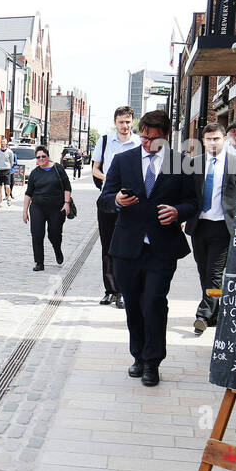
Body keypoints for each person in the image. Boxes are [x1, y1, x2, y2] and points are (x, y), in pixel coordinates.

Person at [98, 110, 197, 388]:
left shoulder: (181, 163)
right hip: (127, 247)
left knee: (153, 301)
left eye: (153, 139)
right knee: (133, 304)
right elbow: (104, 200)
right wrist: (116, 200)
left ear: (166, 137)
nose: (147, 143)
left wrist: (178, 211)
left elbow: (193, 202)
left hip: (162, 247)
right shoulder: (122, 160)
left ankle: (153, 362)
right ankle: (138, 356)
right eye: (144, 137)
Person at [184, 122, 236, 336]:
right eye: (208, 139)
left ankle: (203, 314)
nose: (213, 142)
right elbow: (188, 194)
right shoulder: (195, 164)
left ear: (224, 139)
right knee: (203, 271)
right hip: (199, 226)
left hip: (223, 228)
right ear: (203, 141)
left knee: (214, 273)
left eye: (216, 138)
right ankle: (215, 311)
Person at [91, 106, 141, 308]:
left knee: (127, 247)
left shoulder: (138, 142)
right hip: (109, 198)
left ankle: (123, 291)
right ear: (115, 122)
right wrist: (110, 179)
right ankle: (110, 290)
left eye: (128, 122)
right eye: (121, 122)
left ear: (132, 122)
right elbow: (95, 169)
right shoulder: (104, 141)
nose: (124, 125)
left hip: (131, 201)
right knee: (108, 246)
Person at [22, 145, 72, 272]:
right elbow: (28, 193)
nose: (41, 159)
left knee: (54, 233)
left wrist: (66, 203)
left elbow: (67, 187)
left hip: (56, 207)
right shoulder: (34, 173)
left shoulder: (58, 168)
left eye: (43, 156)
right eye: (38, 157)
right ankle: (39, 262)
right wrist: (25, 211)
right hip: (37, 207)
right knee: (37, 234)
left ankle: (57, 249)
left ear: (48, 156)